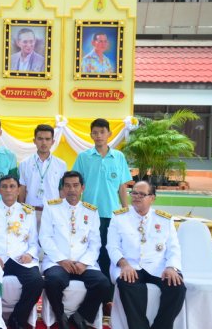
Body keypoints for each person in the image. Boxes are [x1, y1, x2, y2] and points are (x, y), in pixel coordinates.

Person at [107, 181, 186, 329]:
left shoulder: (164, 219)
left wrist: (171, 267)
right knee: (127, 285)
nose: (136, 197)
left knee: (177, 287)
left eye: (142, 194)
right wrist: (124, 264)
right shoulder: (119, 217)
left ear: (152, 198)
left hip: (158, 267)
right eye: (134, 193)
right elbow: (112, 246)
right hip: (130, 266)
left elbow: (174, 248)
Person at [39, 171, 110, 329]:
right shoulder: (51, 208)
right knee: (53, 281)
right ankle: (60, 315)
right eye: (68, 186)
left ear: (82, 188)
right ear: (63, 188)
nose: (71, 189)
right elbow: (45, 237)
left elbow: (95, 242)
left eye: (75, 185)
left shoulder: (91, 211)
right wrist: (61, 260)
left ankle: (81, 316)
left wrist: (84, 263)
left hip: (83, 262)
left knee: (103, 283)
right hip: (58, 261)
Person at [72, 118, 132, 292]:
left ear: (109, 134)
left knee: (108, 253)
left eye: (102, 132)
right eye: (95, 133)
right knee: (88, 252)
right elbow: (76, 184)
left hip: (111, 214)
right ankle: (89, 291)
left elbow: (122, 186)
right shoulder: (84, 157)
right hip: (88, 214)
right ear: (90, 135)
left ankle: (108, 296)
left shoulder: (118, 157)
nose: (98, 136)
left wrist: (125, 209)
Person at [0, 175, 43, 329]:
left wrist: (30, 254)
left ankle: (17, 320)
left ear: (18, 189)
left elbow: (34, 242)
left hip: (19, 259)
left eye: (12, 186)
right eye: (5, 186)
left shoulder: (28, 211)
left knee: (37, 282)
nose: (8, 190)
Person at [18, 124, 67, 227]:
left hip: (53, 212)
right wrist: (21, 212)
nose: (44, 142)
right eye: (40, 139)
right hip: (30, 212)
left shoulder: (61, 164)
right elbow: (22, 190)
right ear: (34, 141)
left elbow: (62, 191)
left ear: (53, 142)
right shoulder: (24, 164)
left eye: (47, 139)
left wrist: (62, 212)